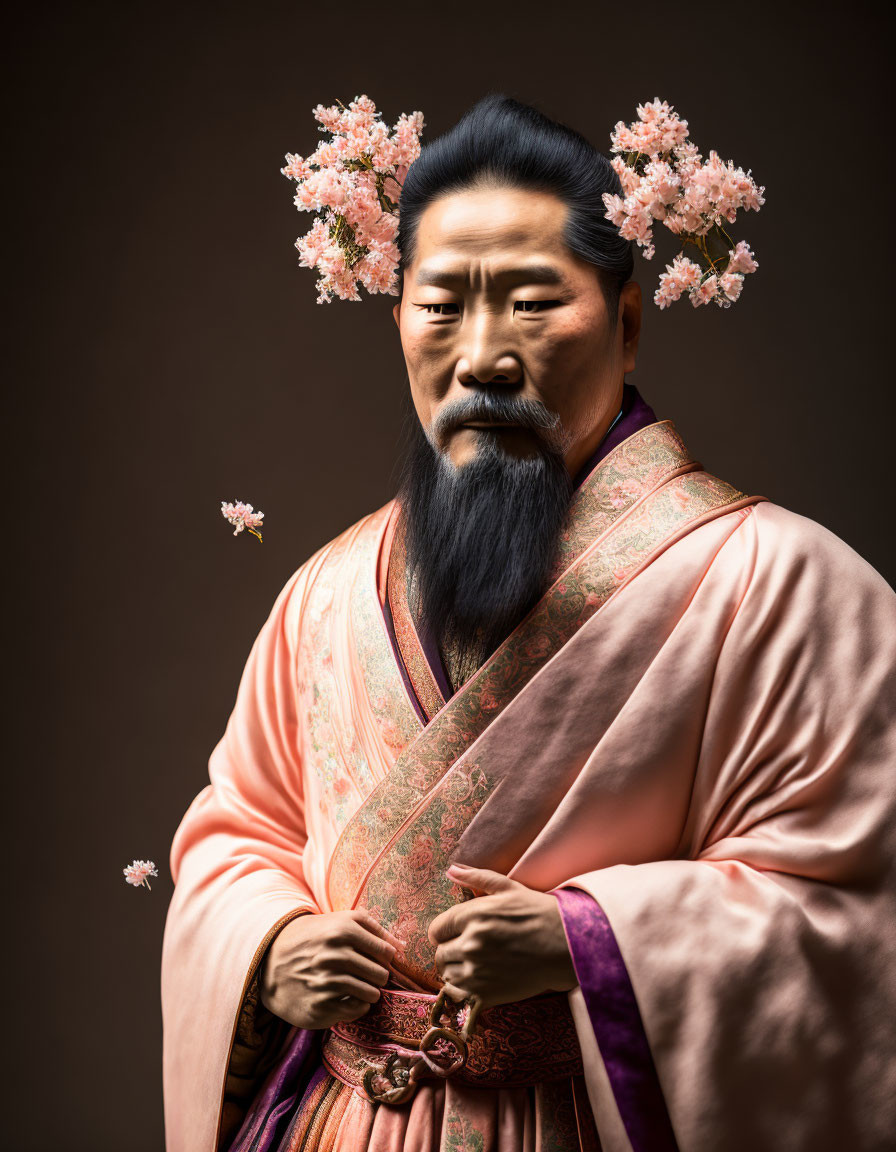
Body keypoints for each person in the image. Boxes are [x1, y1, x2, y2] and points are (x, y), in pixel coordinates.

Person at [160, 94, 896, 1152]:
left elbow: (860, 916)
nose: (482, 356)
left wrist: (588, 943)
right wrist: (268, 943)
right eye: (441, 305)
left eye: (531, 303)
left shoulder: (779, 584)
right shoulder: (326, 594)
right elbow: (240, 833)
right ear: (397, 318)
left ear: (627, 321)